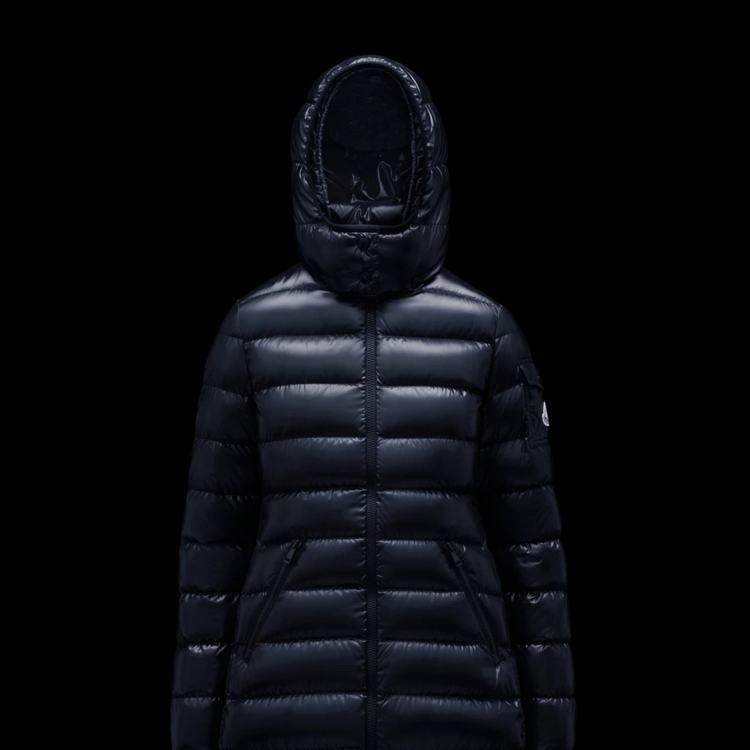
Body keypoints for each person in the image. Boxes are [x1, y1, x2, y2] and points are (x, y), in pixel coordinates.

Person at [171, 53, 575, 750]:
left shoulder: (489, 335)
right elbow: (208, 564)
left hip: (462, 712)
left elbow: (534, 558)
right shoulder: (249, 335)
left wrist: (555, 733)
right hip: (282, 712)